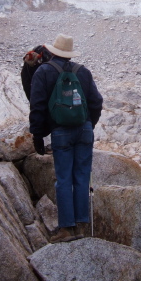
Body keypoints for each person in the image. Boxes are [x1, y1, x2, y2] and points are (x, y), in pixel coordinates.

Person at [29, 34, 103, 243]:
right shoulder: (83, 72)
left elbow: (38, 106)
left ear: (52, 51)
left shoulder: (43, 72)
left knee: (64, 180)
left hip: (60, 131)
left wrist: (38, 134)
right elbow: (96, 101)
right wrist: (89, 124)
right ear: (70, 54)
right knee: (81, 177)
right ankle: (80, 225)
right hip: (85, 130)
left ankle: (66, 228)